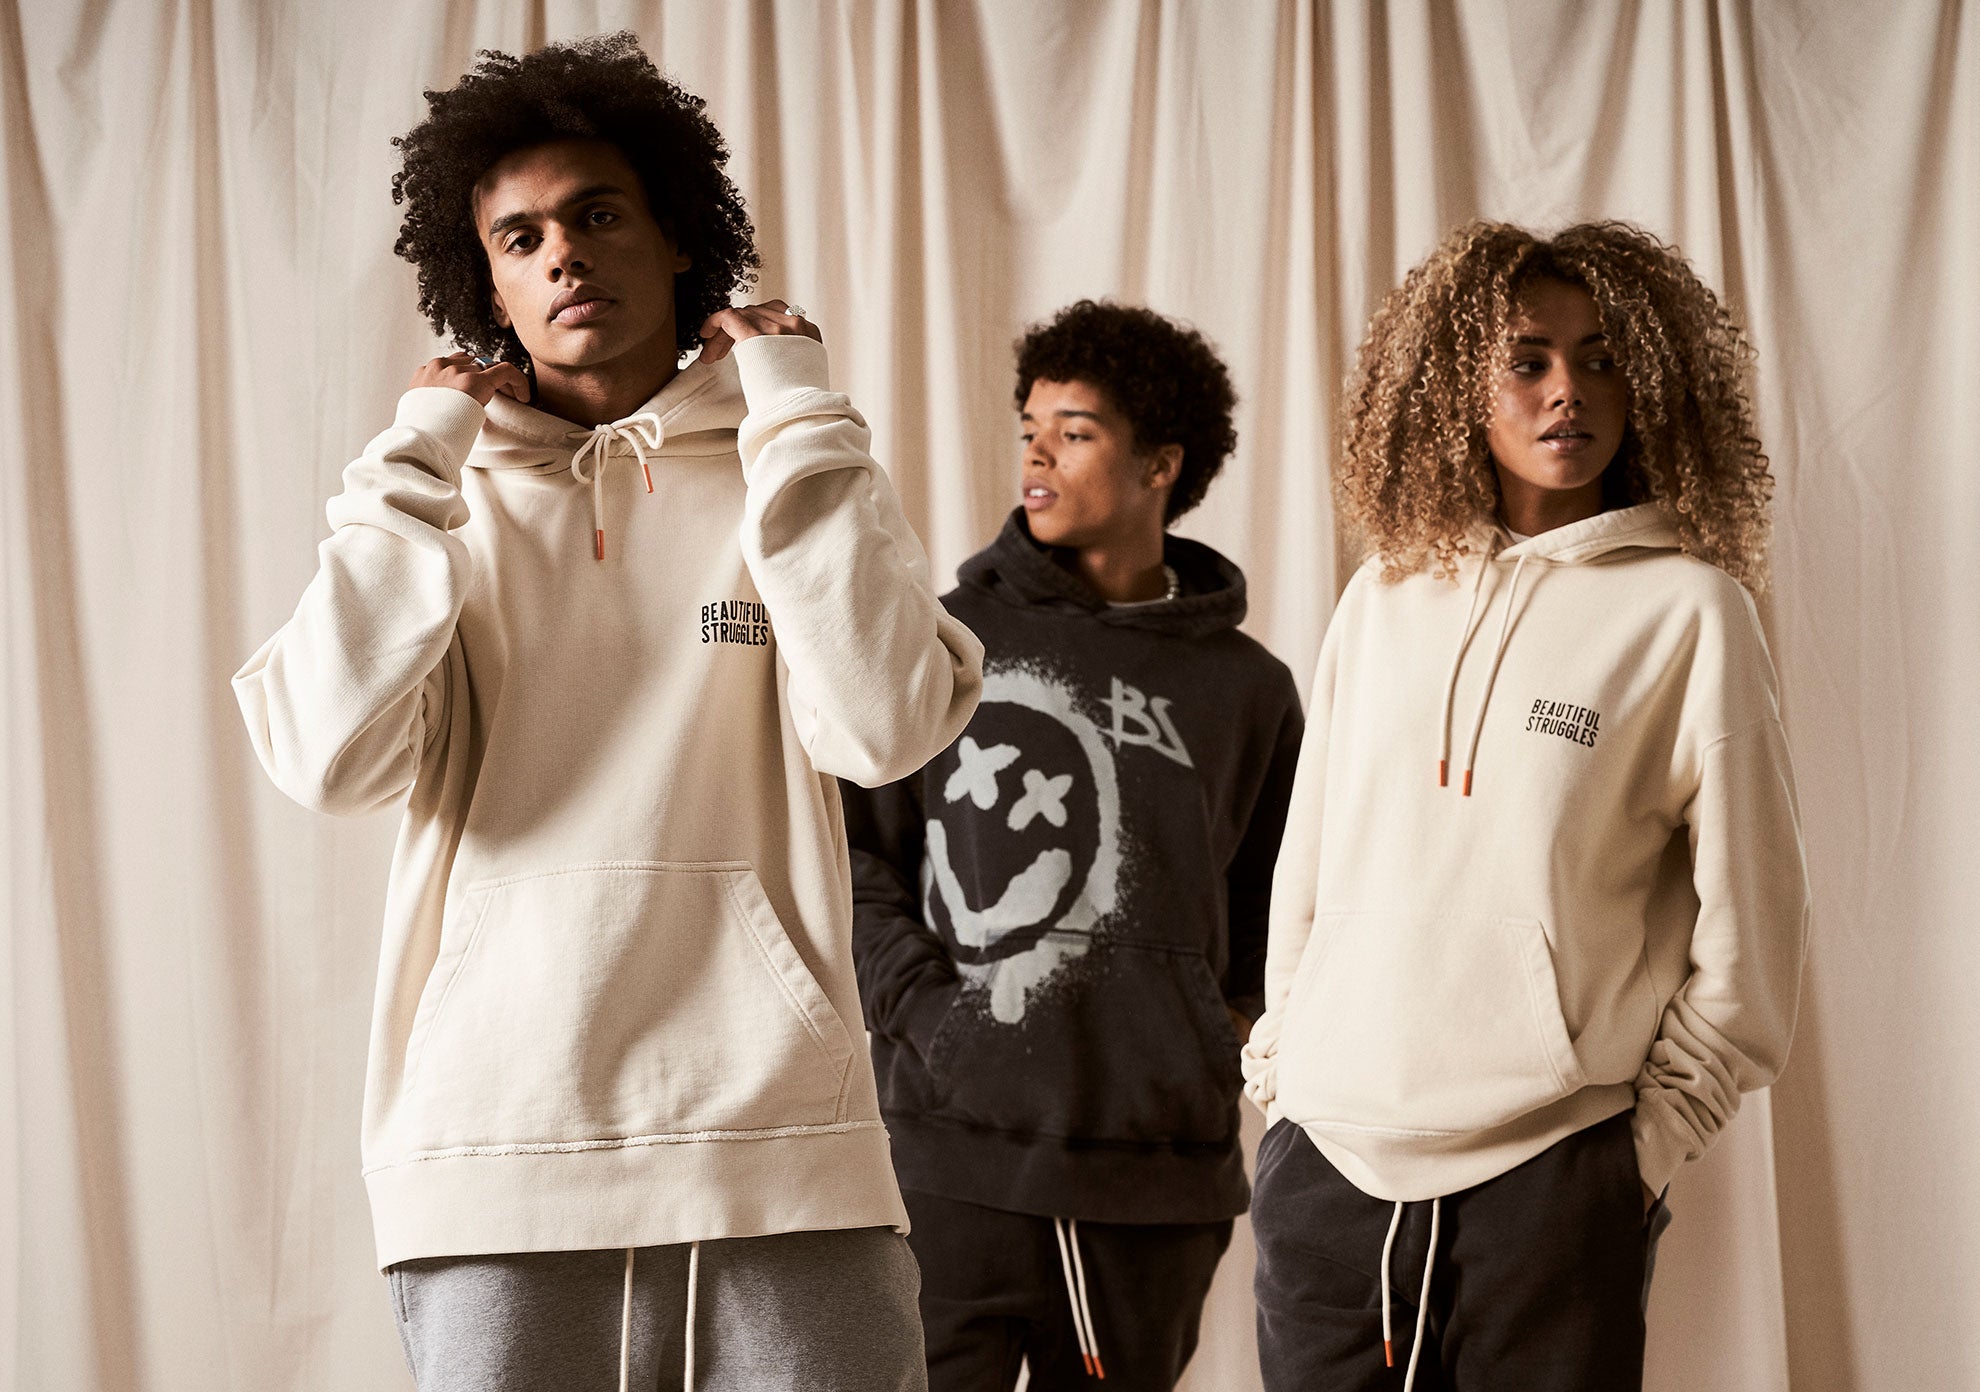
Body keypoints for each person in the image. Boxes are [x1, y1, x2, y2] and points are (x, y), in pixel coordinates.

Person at [232, 34, 981, 1391]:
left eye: (597, 215)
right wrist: (410, 468)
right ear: (489, 288)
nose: (564, 256)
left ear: (679, 236)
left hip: (780, 1145)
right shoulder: (440, 509)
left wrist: (797, 417)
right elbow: (324, 759)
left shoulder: (785, 471)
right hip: (495, 1154)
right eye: (519, 239)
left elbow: (883, 727)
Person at [1243, 221, 1811, 1391]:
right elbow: (1307, 872)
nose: (1568, 392)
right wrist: (1282, 1077)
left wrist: (1639, 1152)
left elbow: (1752, 931)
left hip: (1550, 1176)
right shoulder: (1380, 599)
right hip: (1326, 1171)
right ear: (1456, 387)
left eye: (1602, 359)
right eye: (1528, 360)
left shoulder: (1690, 614)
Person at [843, 300, 1304, 1389]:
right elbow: (855, 859)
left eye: (1077, 430)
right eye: (1030, 428)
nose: (1037, 454)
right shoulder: (947, 639)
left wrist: (1216, 1037)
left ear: (1160, 466)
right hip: (949, 1159)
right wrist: (934, 1023)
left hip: (1155, 1184)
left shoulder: (1246, 688)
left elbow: (1274, 907)